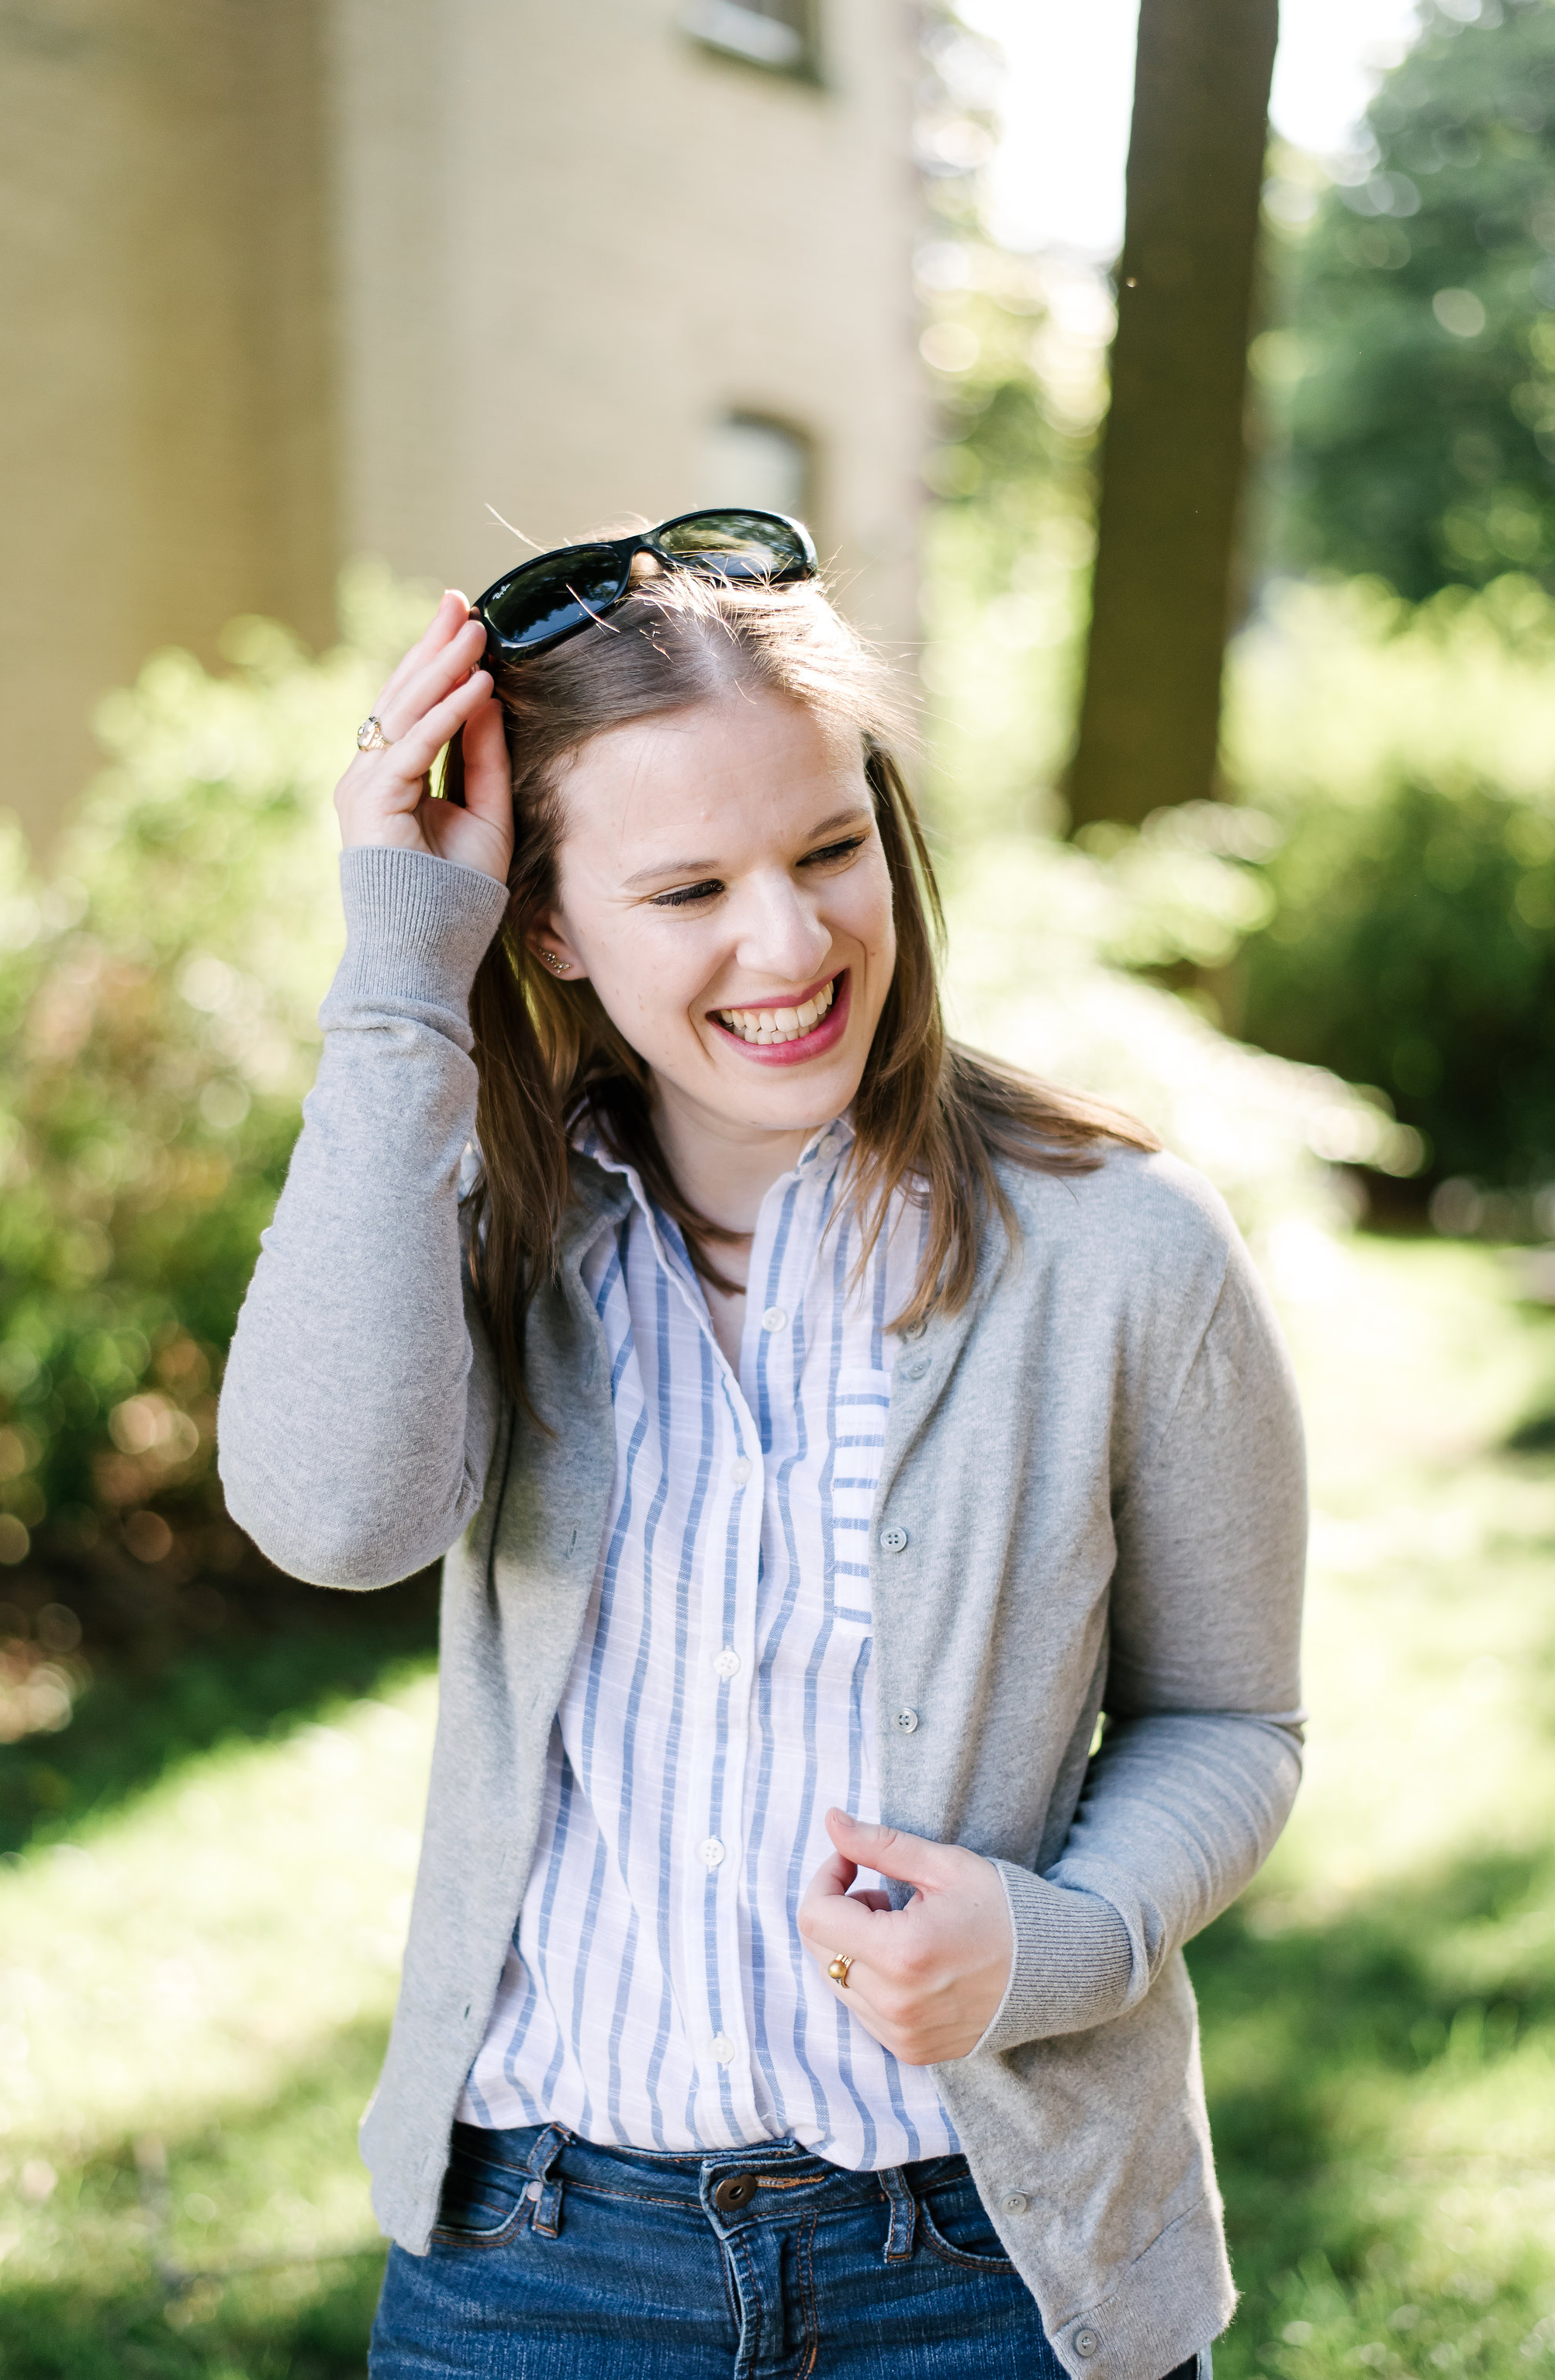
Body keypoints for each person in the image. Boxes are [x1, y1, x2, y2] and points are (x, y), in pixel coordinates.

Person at [218, 510, 1307, 2380]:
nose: (789, 941)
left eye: (827, 849)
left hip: (986, 2267)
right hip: (542, 2261)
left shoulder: (1123, 1243)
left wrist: (1057, 1937)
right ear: (548, 923)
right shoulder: (473, 1224)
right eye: (687, 890)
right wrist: (404, 968)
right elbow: (331, 1519)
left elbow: (1233, 1721)